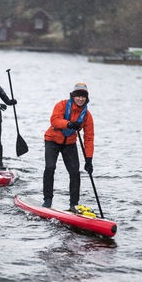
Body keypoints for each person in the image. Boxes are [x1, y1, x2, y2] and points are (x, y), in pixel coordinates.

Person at [42, 82, 94, 213]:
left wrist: (89, 159)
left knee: (75, 173)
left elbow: (89, 138)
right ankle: (47, 200)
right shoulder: (62, 105)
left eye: (83, 97)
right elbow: (54, 120)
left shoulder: (87, 116)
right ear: (73, 96)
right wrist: (69, 124)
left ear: (86, 98)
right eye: (78, 96)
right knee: (50, 167)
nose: (81, 99)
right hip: (52, 140)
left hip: (69, 143)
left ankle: (74, 205)